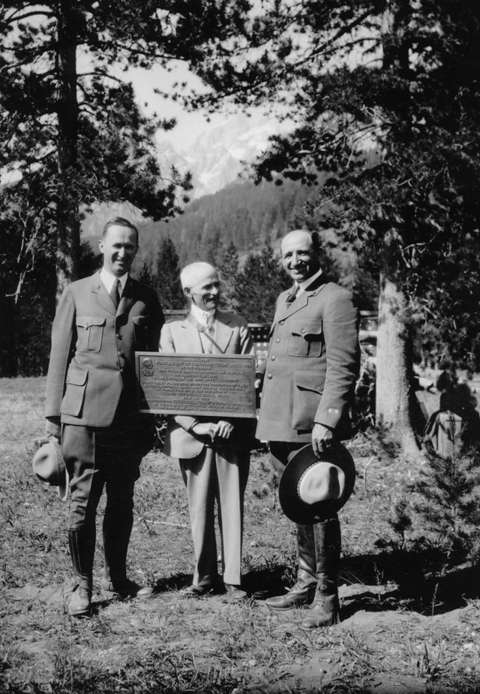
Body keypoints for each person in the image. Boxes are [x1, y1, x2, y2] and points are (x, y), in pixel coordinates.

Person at [44, 217, 163, 617]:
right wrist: (52, 419)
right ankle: (82, 585)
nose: (122, 252)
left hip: (129, 419)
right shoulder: (78, 292)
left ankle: (119, 577)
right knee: (82, 503)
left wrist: (154, 418)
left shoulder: (146, 297)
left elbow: (155, 361)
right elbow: (59, 357)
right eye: (116, 245)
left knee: (122, 503)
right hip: (83, 418)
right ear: (101, 246)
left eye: (130, 246)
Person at [256, 229, 359, 628]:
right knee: (298, 503)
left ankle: (327, 597)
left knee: (321, 505)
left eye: (303, 253)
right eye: (288, 255)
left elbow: (344, 365)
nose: (296, 261)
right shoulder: (287, 298)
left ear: (318, 255)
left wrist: (327, 419)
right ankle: (304, 582)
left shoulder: (335, 298)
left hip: (312, 422)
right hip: (281, 419)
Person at [159, 262, 254, 601]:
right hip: (192, 436)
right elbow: (166, 387)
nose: (214, 292)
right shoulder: (171, 332)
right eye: (206, 288)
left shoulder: (237, 327)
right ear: (188, 293)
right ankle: (203, 576)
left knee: (231, 504)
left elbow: (248, 380)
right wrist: (195, 424)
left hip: (231, 433)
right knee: (198, 507)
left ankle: (233, 579)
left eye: (216, 285)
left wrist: (233, 419)